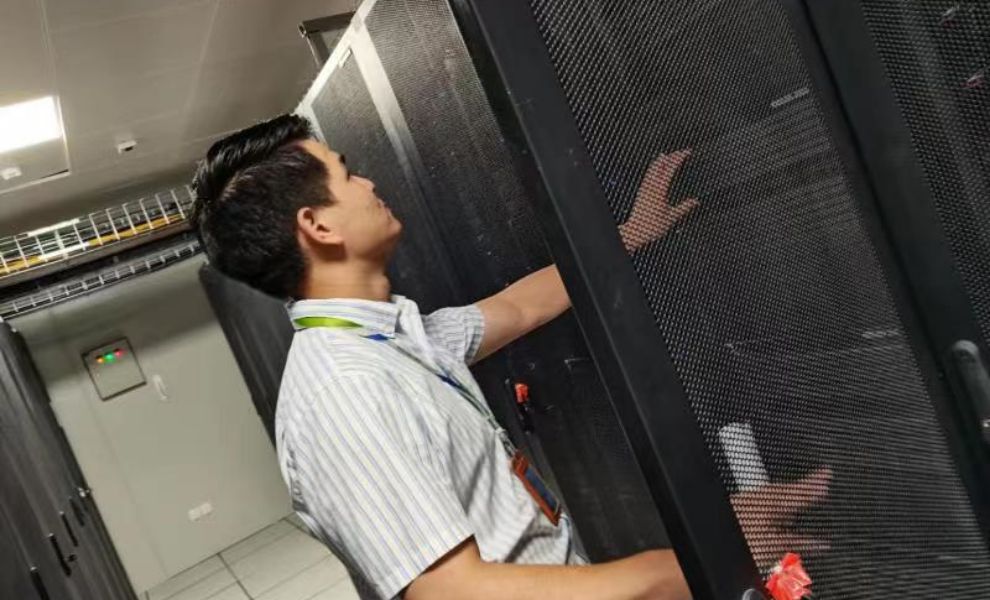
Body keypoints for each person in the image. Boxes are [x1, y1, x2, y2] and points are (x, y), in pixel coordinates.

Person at [192, 114, 829, 600]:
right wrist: (693, 563)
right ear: (319, 226)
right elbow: (453, 593)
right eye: (346, 173)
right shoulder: (344, 392)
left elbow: (519, 308)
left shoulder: (392, 339)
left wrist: (629, 236)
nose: (368, 182)